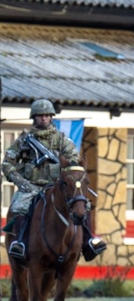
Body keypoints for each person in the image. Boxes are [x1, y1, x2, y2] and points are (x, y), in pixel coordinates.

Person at [3, 99, 103, 260]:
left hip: (57, 187)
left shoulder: (62, 139)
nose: (44, 118)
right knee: (19, 206)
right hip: (31, 186)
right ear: (34, 117)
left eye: (47, 115)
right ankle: (20, 243)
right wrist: (22, 182)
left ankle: (88, 241)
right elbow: (7, 164)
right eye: (40, 115)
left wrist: (66, 167)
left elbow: (73, 160)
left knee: (83, 204)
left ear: (51, 117)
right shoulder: (23, 140)